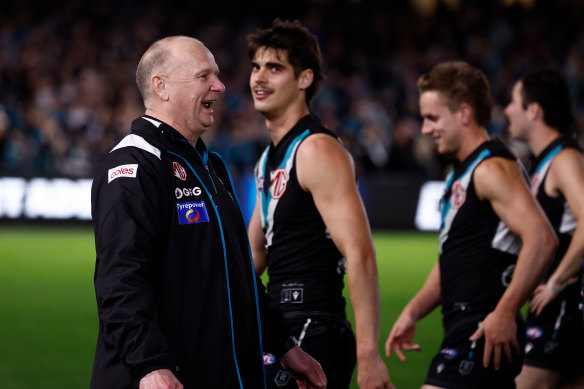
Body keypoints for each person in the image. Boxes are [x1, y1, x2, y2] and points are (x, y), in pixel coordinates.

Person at [90, 35, 327, 389]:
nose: (219, 85)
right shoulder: (134, 165)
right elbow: (120, 282)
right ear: (162, 87)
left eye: (216, 75)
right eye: (204, 76)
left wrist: (284, 344)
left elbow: (239, 274)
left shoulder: (210, 165)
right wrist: (151, 365)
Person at [385, 61, 558, 389]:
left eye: (432, 117)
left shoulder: (491, 168)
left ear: (464, 114)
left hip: (482, 329)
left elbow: (542, 238)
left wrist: (505, 312)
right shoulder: (463, 172)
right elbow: (453, 258)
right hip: (468, 327)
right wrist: (413, 311)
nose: (424, 128)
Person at [246, 19, 394, 389]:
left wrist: (369, 356)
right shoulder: (267, 159)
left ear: (304, 79)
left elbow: (359, 252)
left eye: (274, 67)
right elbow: (253, 253)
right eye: (256, 66)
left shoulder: (317, 149)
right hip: (279, 323)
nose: (259, 77)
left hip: (314, 322)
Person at [504, 69, 584, 389]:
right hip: (559, 308)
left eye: (513, 102)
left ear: (533, 110)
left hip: (561, 306)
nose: (507, 110)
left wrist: (554, 283)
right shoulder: (547, 159)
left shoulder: (564, 158)